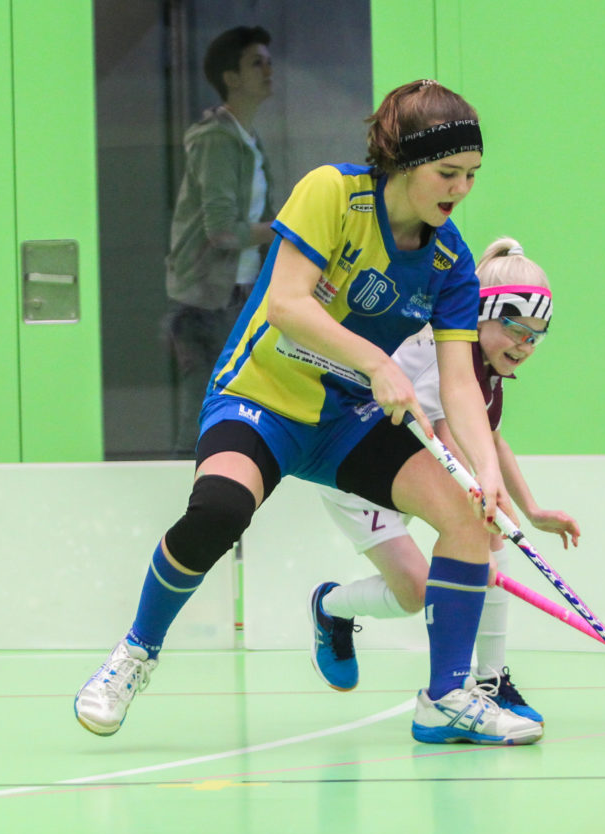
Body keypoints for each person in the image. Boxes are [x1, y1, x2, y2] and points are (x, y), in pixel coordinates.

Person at [76, 79, 543, 747]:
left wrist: (485, 476)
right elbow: (287, 304)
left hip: (343, 422)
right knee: (219, 511)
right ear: (405, 162)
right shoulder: (331, 193)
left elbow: (461, 385)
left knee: (467, 515)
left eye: (471, 175)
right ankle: (133, 655)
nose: (460, 188)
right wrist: (378, 363)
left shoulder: (450, 262)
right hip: (261, 395)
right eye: (448, 173)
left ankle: (445, 698)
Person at [307, 237, 581, 724]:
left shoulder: (489, 369)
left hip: (418, 474)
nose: (525, 345)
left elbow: (490, 441)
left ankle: (491, 681)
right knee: (417, 588)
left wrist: (531, 513)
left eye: (537, 335)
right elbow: (449, 438)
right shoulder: (442, 354)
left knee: (479, 539)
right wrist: (495, 522)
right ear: (481, 314)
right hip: (360, 475)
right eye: (516, 329)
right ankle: (331, 607)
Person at [164, 26, 277, 457]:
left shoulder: (248, 138)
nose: (269, 70)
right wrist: (285, 230)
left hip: (239, 292)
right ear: (231, 78)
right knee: (205, 404)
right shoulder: (217, 140)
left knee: (233, 399)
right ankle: (192, 495)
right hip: (209, 299)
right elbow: (223, 230)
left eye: (269, 61)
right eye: (256, 63)